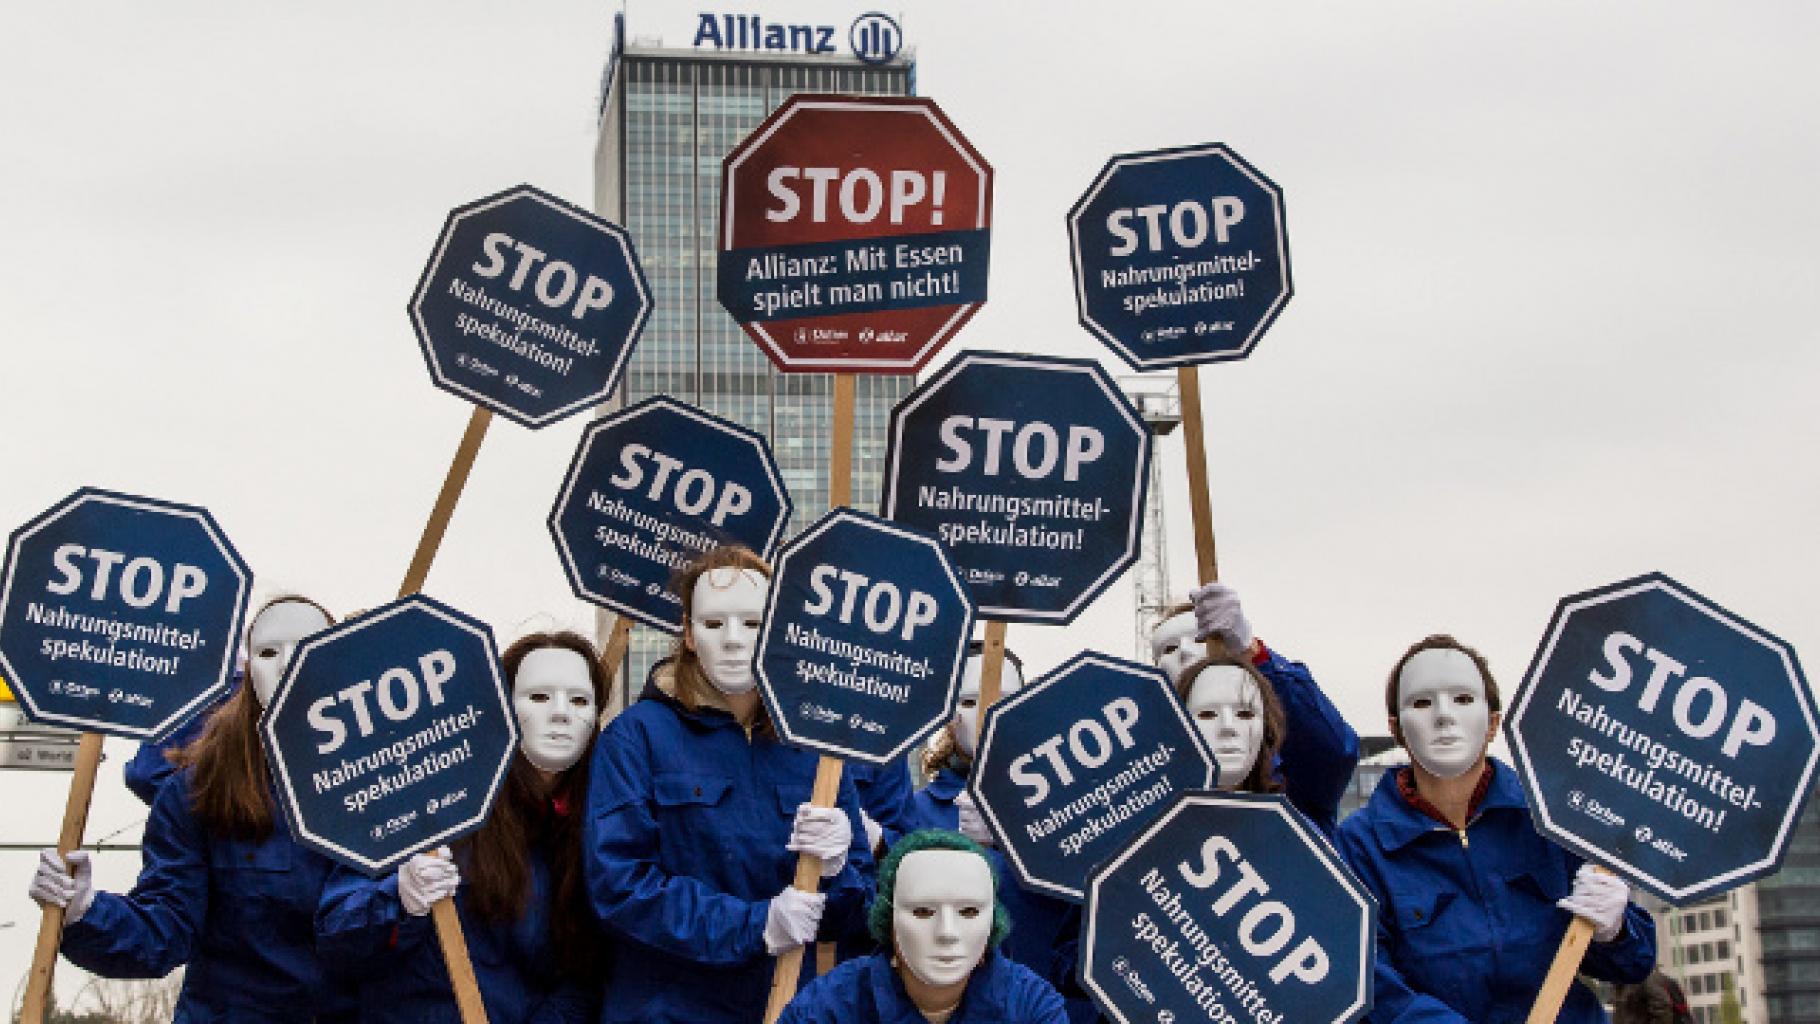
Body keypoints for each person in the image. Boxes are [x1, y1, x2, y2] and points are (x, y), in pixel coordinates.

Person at [27, 596, 356, 1022]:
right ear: (246, 670)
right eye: (269, 651)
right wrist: (85, 911)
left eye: (308, 647)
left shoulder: (389, 781)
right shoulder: (198, 795)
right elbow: (164, 930)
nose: (286, 666)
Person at [584, 545, 875, 1022]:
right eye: (715, 624)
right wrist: (756, 925)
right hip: (669, 1011)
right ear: (690, 633)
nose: (735, 640)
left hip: (788, 1008)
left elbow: (859, 919)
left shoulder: (818, 748)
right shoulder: (636, 737)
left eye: (753, 623)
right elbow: (619, 886)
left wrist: (839, 867)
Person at [1334, 635, 1656, 1023]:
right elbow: (1370, 987)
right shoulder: (1358, 849)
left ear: (1493, 722)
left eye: (1463, 699)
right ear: (1396, 727)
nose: (1443, 716)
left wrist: (1617, 931)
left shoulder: (1553, 821)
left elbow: (1633, 965)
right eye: (1421, 702)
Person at [316, 630, 607, 1022]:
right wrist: (397, 899)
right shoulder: (428, 803)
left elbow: (586, 975)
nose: (560, 713)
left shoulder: (598, 822)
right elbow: (337, 936)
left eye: (579, 700)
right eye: (538, 697)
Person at [908, 644, 1096, 1024]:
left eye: (1004, 699)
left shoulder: (1074, 808)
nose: (985, 713)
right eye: (969, 700)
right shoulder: (916, 813)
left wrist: (1017, 838)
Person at [778, 830, 1068, 1024]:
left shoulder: (1030, 1006)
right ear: (890, 923)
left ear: (992, 923)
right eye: (922, 911)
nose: (946, 932)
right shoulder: (830, 1007)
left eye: (968, 911)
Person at [1152, 582, 1359, 832]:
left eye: (1199, 640)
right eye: (1169, 648)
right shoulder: (1147, 777)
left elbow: (1333, 753)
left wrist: (1253, 653)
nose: (1185, 653)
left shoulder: (1288, 774)